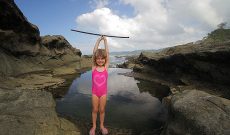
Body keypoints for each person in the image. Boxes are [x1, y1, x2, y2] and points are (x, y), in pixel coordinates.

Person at [89, 36, 109, 135]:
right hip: (95, 93)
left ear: (105, 60)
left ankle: (101, 125)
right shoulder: (94, 67)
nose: (100, 60)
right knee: (95, 109)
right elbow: (94, 53)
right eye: (98, 59)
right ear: (96, 59)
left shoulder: (106, 67)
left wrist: (105, 41)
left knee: (102, 110)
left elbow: (107, 53)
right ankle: (94, 126)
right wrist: (98, 40)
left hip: (103, 93)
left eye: (102, 59)